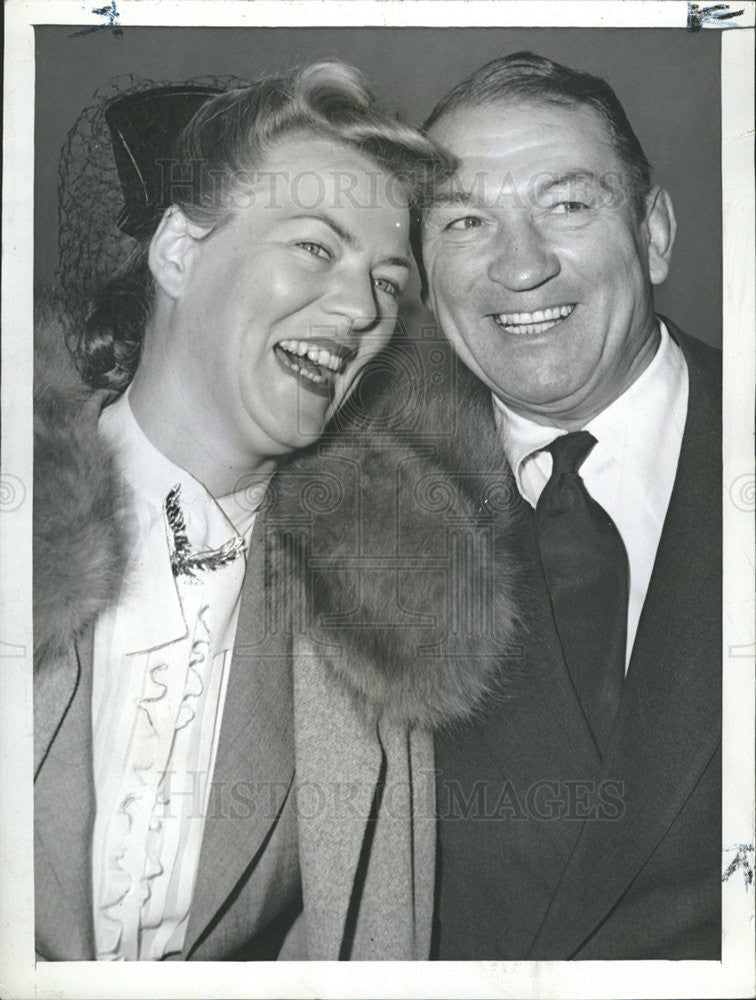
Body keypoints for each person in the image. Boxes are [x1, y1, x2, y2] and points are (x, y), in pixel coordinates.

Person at [33, 62, 504, 962]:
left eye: (389, 283)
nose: (361, 310)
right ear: (179, 252)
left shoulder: (369, 625)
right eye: (317, 249)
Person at [410, 52, 722, 959]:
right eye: (466, 221)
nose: (521, 267)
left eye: (568, 205)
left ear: (653, 233)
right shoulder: (348, 508)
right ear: (422, 273)